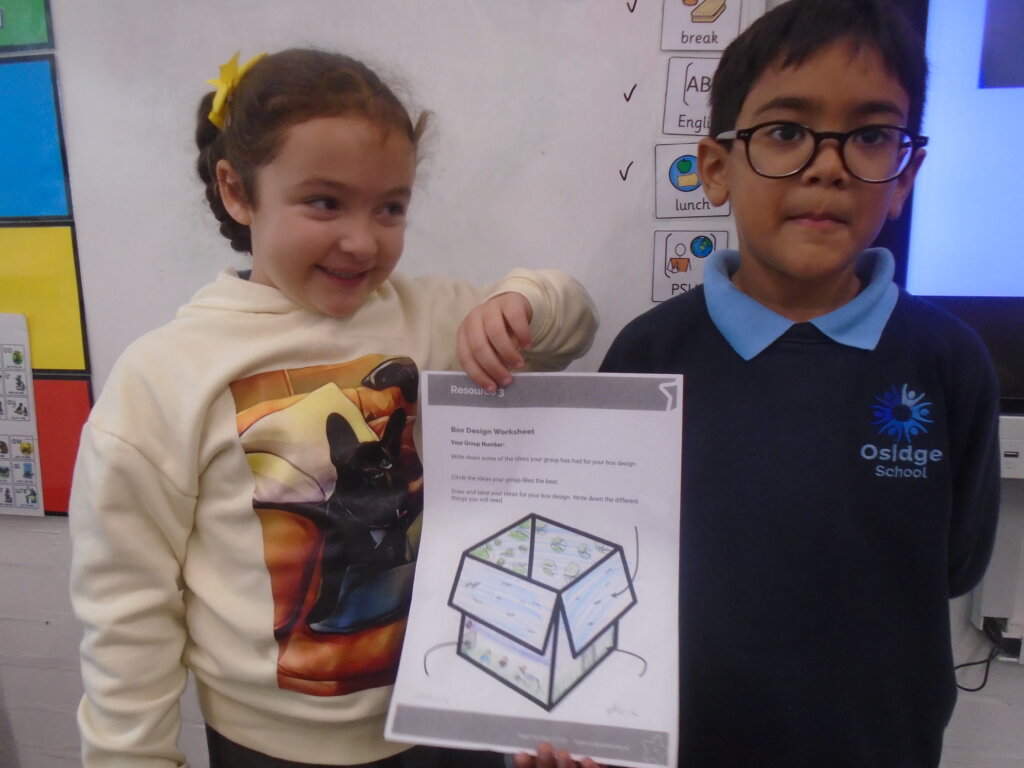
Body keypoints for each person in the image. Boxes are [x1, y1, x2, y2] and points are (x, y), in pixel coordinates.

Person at [69, 48, 600, 768]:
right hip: (269, 747)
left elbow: (571, 323)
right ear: (237, 192)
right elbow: (127, 608)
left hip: (448, 716)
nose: (361, 240)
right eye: (325, 202)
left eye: (391, 207)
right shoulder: (165, 377)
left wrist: (521, 301)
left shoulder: (432, 318)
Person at [600, 1, 1001, 766]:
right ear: (716, 169)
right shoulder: (649, 354)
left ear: (906, 176)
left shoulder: (949, 363)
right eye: (786, 131)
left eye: (871, 135)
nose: (828, 165)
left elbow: (956, 562)